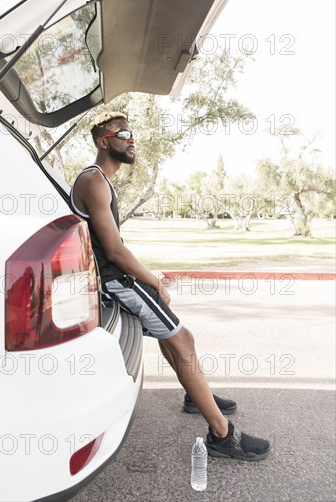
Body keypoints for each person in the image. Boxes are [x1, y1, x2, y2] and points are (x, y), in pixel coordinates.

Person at [70, 111, 270, 461]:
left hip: (118, 278)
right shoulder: (95, 181)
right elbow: (114, 250)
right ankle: (222, 436)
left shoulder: (100, 179)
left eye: (132, 133)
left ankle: (196, 395)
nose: (132, 139)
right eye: (124, 133)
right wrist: (154, 279)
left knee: (173, 335)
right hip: (116, 282)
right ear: (104, 141)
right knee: (183, 339)